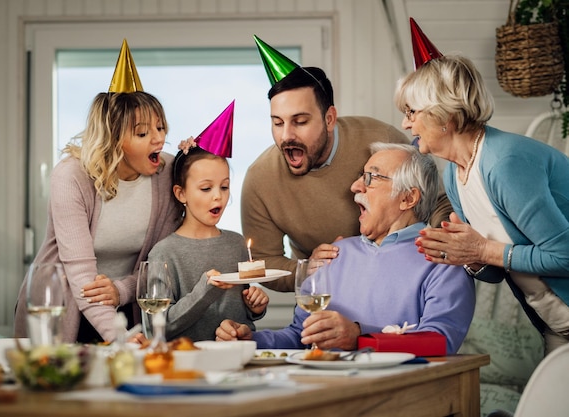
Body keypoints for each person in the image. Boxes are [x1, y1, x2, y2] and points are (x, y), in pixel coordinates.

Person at [395, 23, 569, 354]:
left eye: (411, 112)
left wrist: (482, 251)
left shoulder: (505, 163)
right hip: (554, 324)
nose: (406, 124)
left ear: (443, 116)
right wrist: (465, 257)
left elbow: (565, 254)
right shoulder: (455, 176)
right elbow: (497, 272)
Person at [217, 143, 475, 354]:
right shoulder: (335, 254)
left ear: (408, 198)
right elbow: (300, 336)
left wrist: (359, 337)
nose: (355, 186)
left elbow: (439, 342)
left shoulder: (444, 261)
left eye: (371, 178)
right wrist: (250, 342)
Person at [243, 36, 452, 292]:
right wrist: (307, 267)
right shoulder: (260, 179)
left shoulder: (381, 139)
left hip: (400, 282)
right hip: (328, 292)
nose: (286, 135)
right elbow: (262, 262)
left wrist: (443, 247)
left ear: (329, 118)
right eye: (277, 122)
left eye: (300, 121)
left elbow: (434, 200)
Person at [13, 40, 181, 344]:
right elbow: (81, 275)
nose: (158, 139)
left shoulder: (168, 172)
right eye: (143, 133)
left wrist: (122, 291)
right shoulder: (71, 177)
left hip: (128, 308)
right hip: (62, 310)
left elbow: (161, 262)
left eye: (161, 127)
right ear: (114, 138)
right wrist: (119, 336)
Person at [148, 101, 269, 342]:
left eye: (224, 187)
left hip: (236, 361)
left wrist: (255, 308)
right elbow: (158, 327)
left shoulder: (236, 244)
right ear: (181, 193)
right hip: (186, 365)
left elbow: (242, 316)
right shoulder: (164, 253)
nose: (218, 196)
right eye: (206, 188)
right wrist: (205, 290)